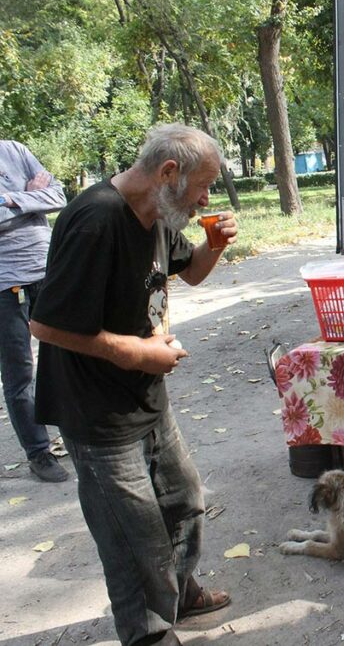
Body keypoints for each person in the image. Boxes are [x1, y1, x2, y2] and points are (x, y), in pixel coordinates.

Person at [30, 124, 239, 646]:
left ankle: (182, 594)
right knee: (134, 539)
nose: (205, 199)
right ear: (170, 173)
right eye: (202, 187)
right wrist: (137, 352)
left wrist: (212, 245)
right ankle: (148, 633)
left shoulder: (159, 213)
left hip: (146, 400)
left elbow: (188, 273)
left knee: (183, 500)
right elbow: (46, 324)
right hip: (97, 412)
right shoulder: (96, 218)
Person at [0, 140, 70, 483]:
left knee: (69, 354)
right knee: (19, 372)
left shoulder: (14, 150)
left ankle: (75, 434)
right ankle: (38, 453)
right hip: (4, 284)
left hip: (46, 270)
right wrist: (28, 198)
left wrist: (9, 199)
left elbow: (59, 197)